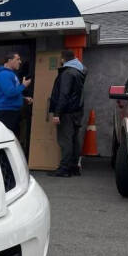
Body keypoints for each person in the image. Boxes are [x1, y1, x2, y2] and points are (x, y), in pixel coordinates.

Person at [48, 49, 87, 177]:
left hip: (66, 112)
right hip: (77, 111)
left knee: (65, 140)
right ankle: (74, 167)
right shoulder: (80, 71)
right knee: (74, 139)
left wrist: (57, 113)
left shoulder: (67, 73)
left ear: (63, 59)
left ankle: (64, 169)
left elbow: (63, 95)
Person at [0, 52, 32, 139]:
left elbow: (11, 93)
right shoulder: (4, 74)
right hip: (7, 112)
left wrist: (23, 98)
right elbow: (10, 93)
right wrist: (23, 85)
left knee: (12, 138)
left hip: (11, 111)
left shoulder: (10, 74)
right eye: (17, 59)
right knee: (7, 139)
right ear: (10, 61)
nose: (20, 62)